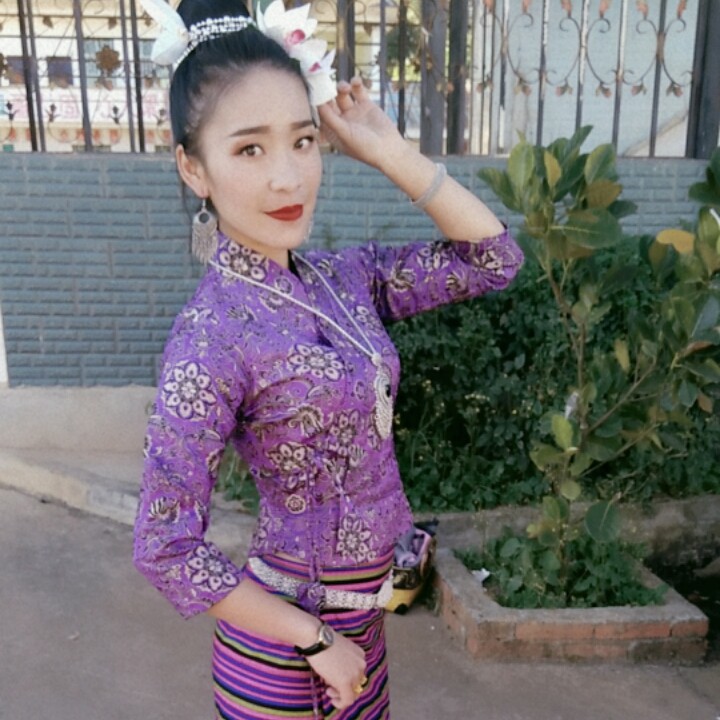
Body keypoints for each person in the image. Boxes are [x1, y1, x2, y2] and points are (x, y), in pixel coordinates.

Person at [132, 0, 523, 718]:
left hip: (361, 626)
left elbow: (493, 259)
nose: (288, 178)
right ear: (193, 168)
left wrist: (389, 151)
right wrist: (314, 640)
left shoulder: (344, 281)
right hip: (288, 648)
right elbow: (163, 545)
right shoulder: (210, 339)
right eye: (249, 150)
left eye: (303, 140)